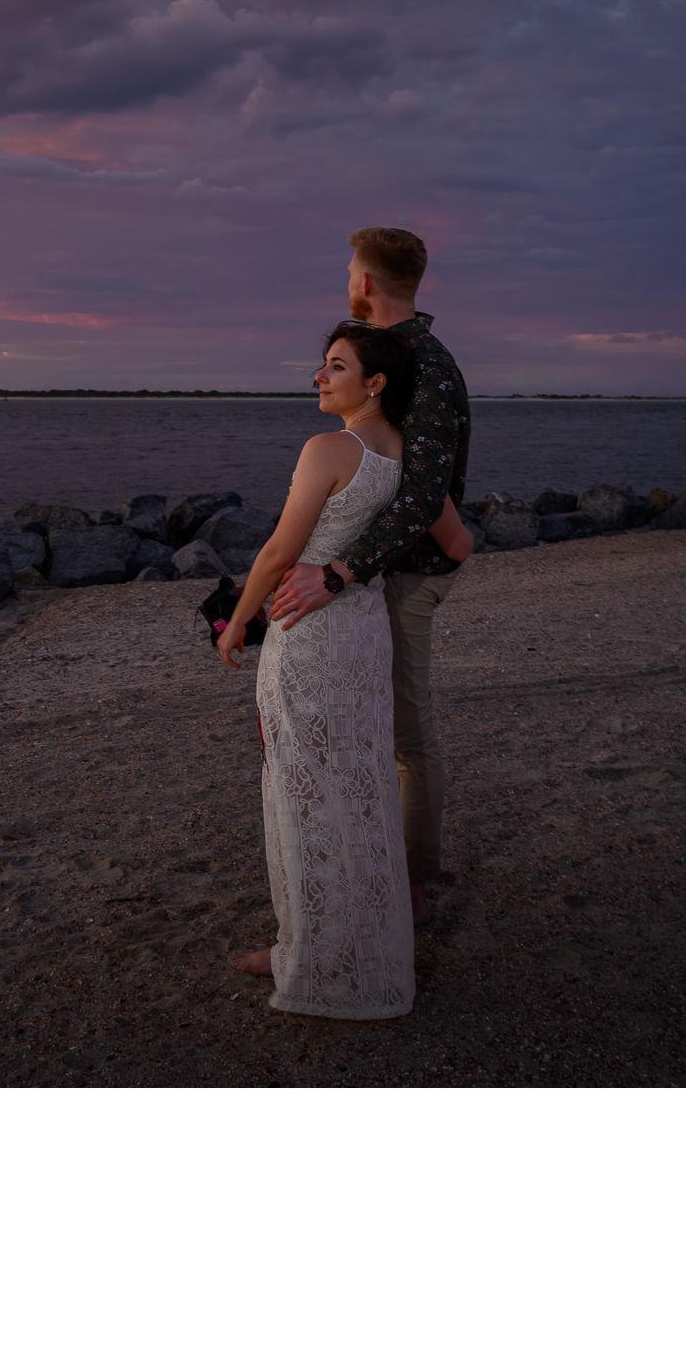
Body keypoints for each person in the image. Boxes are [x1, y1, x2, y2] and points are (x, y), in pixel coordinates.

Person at [215, 321, 474, 1019]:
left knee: (303, 790)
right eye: (322, 365)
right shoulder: (410, 460)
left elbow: (279, 552)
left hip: (308, 632)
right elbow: (457, 541)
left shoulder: (328, 448)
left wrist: (238, 621)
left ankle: (310, 959)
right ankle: (357, 949)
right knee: (359, 789)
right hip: (363, 632)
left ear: (375, 383)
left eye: (336, 366)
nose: (319, 377)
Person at [270, 228, 471, 928]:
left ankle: (411, 891)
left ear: (364, 283)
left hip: (406, 574)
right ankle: (368, 876)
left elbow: (420, 495)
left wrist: (340, 570)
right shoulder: (395, 355)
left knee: (409, 738)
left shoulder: (427, 365)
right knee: (364, 732)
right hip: (378, 574)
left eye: (349, 271)